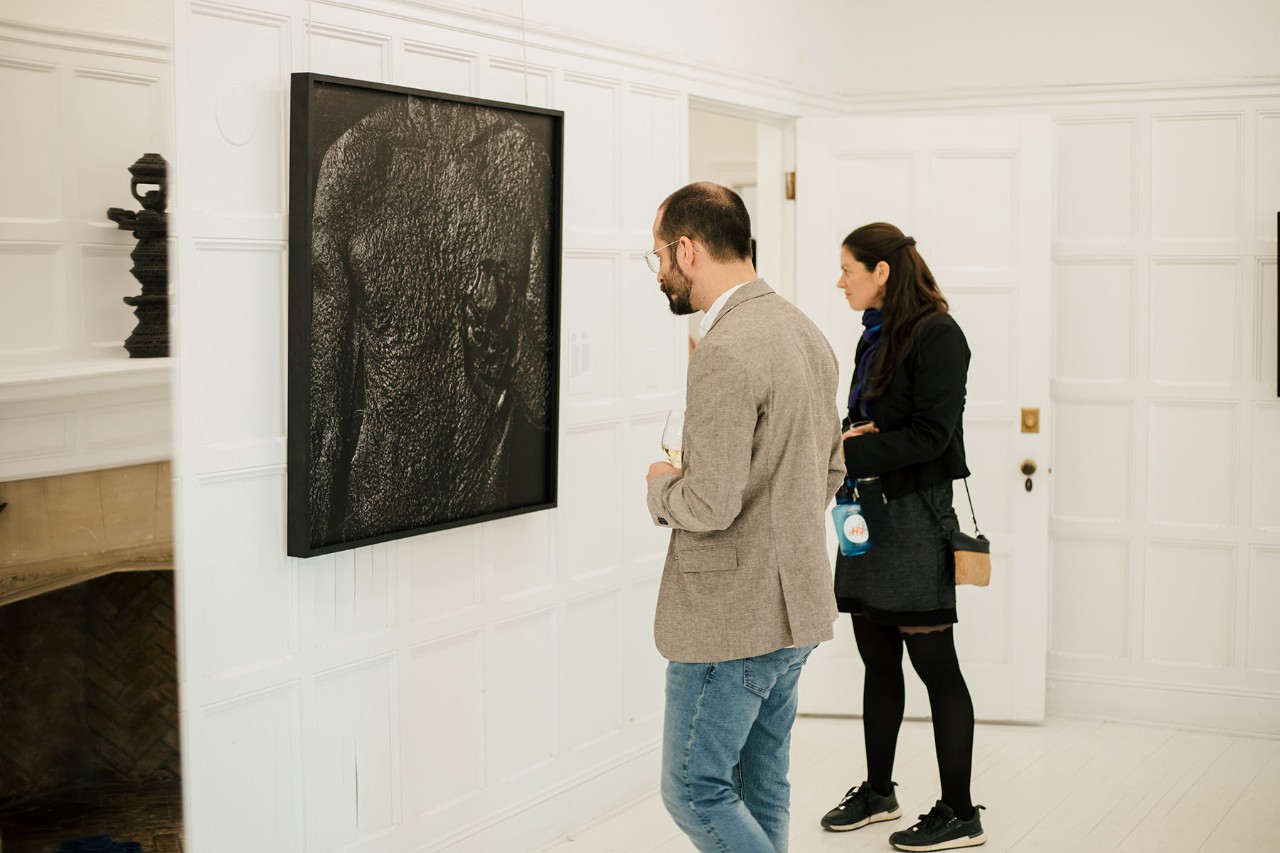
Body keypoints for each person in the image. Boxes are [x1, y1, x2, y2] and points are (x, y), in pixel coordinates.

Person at [643, 182, 844, 853]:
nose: (661, 273)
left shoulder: (724, 349)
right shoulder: (806, 331)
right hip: (796, 608)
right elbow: (832, 469)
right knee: (762, 786)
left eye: (660, 257)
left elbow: (710, 503)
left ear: (689, 248)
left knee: (693, 788)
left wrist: (661, 485)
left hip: (732, 620)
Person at [819, 223, 987, 850]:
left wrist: (844, 449)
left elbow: (931, 437)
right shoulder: (874, 336)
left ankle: (960, 812)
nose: (840, 282)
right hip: (865, 511)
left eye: (847, 270)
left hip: (915, 515)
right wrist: (850, 433)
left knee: (935, 664)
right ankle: (879, 791)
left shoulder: (939, 335)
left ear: (881, 271)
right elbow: (877, 420)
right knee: (877, 657)